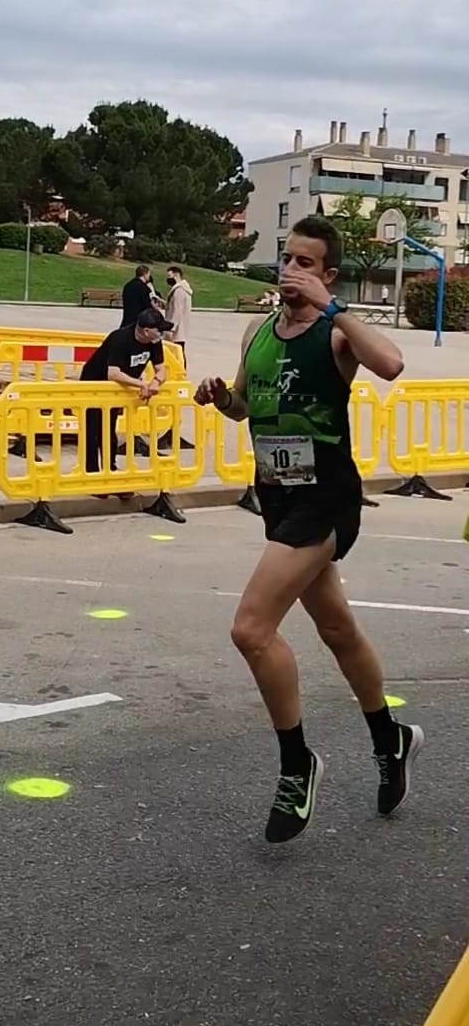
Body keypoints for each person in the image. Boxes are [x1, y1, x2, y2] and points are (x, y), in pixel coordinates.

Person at [194, 215, 422, 845]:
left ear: (327, 274)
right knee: (337, 628)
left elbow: (392, 363)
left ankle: (298, 765)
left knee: (251, 629)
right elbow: (246, 404)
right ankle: (390, 738)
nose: (290, 271)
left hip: (326, 498)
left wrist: (333, 307)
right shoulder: (257, 330)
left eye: (305, 263)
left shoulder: (337, 333)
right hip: (277, 494)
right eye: (286, 259)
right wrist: (222, 397)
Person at [80, 307, 171, 474]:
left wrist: (156, 382)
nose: (161, 334)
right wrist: (141, 384)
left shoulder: (154, 342)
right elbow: (113, 373)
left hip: (118, 388)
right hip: (95, 384)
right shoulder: (120, 338)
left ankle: (110, 467)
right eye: (159, 330)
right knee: (93, 429)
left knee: (109, 428)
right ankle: (91, 471)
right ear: (146, 331)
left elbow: (161, 369)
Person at [164, 265, 192, 370]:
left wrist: (171, 328)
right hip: (181, 327)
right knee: (179, 351)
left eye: (169, 276)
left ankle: (180, 371)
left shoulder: (179, 291)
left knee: (177, 352)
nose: (168, 279)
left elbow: (177, 310)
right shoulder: (184, 290)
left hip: (177, 329)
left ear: (176, 275)